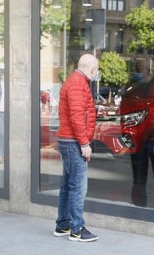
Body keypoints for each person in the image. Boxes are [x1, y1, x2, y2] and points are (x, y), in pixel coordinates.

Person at [53, 54, 100, 242]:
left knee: (68, 185)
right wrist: (84, 143)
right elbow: (77, 116)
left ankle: (63, 224)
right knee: (77, 187)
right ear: (93, 69)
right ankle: (77, 229)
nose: (96, 73)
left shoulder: (76, 82)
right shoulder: (77, 84)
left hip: (69, 140)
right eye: (97, 69)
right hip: (73, 141)